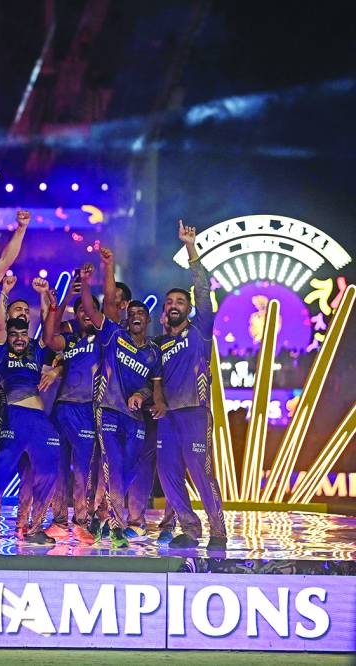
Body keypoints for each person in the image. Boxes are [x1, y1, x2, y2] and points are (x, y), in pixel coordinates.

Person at [77, 254, 164, 548]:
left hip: (136, 419)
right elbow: (94, 308)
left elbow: (155, 387)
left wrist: (143, 395)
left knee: (130, 469)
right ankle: (116, 527)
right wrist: (99, 273)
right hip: (109, 410)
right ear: (126, 317)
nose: (136, 315)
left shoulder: (153, 352)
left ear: (148, 319)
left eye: (142, 312)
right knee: (112, 466)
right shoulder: (113, 335)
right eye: (132, 311)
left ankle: (101, 515)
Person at [156, 220, 227, 551]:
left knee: (200, 472)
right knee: (168, 473)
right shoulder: (158, 345)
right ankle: (189, 528)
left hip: (195, 413)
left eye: (179, 302)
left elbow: (201, 287)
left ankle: (218, 531)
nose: (174, 305)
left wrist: (190, 246)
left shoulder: (199, 330)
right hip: (167, 418)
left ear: (189, 309)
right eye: (169, 302)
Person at [0, 275, 60, 545]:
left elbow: (47, 330)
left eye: (24, 333)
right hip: (13, 418)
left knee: (49, 472)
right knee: (1, 472)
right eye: (15, 334)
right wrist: (3, 292)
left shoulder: (35, 349)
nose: (20, 338)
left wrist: (45, 298)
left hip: (40, 421)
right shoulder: (0, 351)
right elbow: (0, 325)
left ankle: (34, 528)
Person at [39, 267, 103, 544]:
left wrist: (86, 287)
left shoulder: (104, 339)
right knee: (58, 467)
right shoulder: (71, 340)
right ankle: (58, 521)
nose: (85, 314)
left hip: (86, 409)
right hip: (62, 409)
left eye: (90, 310)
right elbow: (48, 339)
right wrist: (59, 304)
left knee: (83, 470)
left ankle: (82, 521)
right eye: (80, 311)